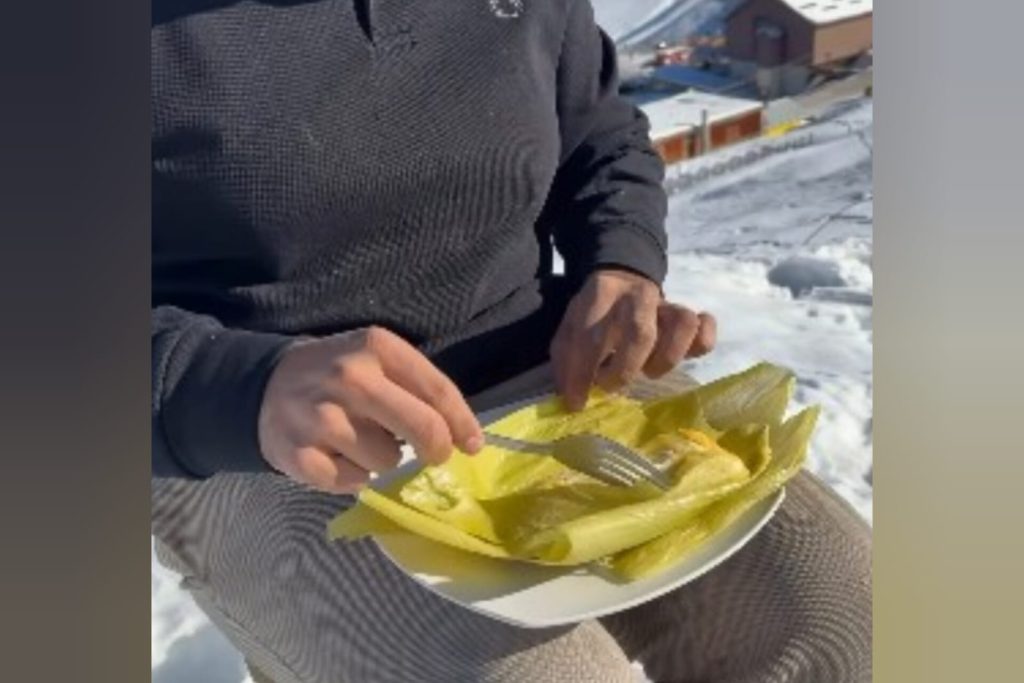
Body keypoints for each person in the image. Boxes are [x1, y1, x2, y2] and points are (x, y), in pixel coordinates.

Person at [152, 2, 871, 681]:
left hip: (541, 362)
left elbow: (598, 132)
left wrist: (620, 259)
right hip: (260, 437)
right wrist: (244, 387)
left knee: (856, 630)